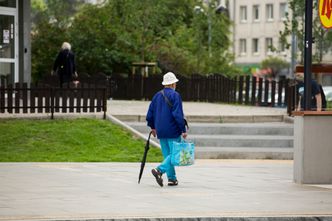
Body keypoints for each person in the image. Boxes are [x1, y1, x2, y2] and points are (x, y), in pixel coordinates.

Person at [146, 72, 187, 187]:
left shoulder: (157, 96)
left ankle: (172, 179)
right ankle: (159, 170)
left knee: (167, 154)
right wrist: (183, 129)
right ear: (173, 83)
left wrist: (153, 127)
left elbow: (150, 114)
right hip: (173, 130)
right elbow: (178, 115)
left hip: (160, 130)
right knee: (174, 154)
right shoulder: (175, 95)